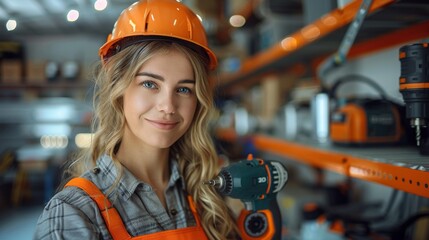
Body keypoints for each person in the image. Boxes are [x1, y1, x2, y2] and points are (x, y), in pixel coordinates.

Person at [34, 0, 240, 239]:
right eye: (150, 84)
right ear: (118, 88)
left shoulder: (207, 195)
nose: (168, 106)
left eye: (184, 89)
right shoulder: (74, 214)